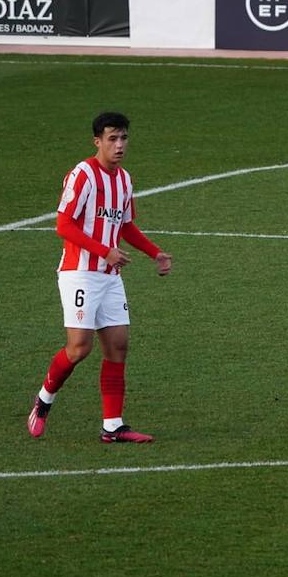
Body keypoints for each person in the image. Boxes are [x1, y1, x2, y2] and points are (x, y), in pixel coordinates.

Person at [27, 111, 173, 444]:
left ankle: (113, 426)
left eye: (123, 138)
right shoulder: (82, 175)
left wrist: (156, 253)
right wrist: (104, 250)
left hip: (109, 276)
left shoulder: (124, 179)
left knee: (118, 346)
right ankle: (44, 400)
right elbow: (63, 225)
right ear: (98, 141)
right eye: (112, 138)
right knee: (79, 348)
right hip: (79, 274)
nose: (119, 145)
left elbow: (125, 226)